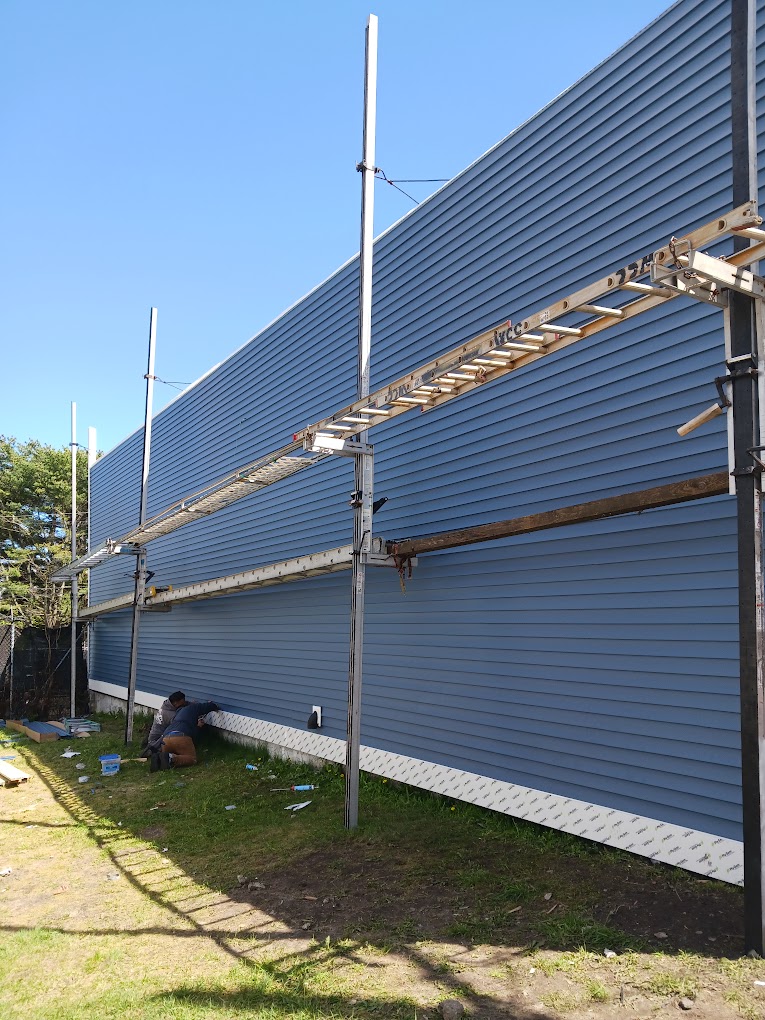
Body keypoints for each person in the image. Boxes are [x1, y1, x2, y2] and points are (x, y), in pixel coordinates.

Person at [150, 700, 220, 771]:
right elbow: (206, 707)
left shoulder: (176, 715)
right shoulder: (192, 707)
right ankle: (172, 758)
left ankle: (159, 760)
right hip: (180, 736)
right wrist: (213, 705)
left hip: (166, 738)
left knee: (166, 756)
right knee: (192, 759)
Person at [140, 691, 188, 756]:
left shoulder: (167, 705)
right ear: (176, 703)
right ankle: (152, 750)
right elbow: (179, 726)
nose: (184, 702)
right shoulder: (169, 714)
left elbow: (185, 704)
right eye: (182, 702)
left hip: (153, 736)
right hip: (157, 740)